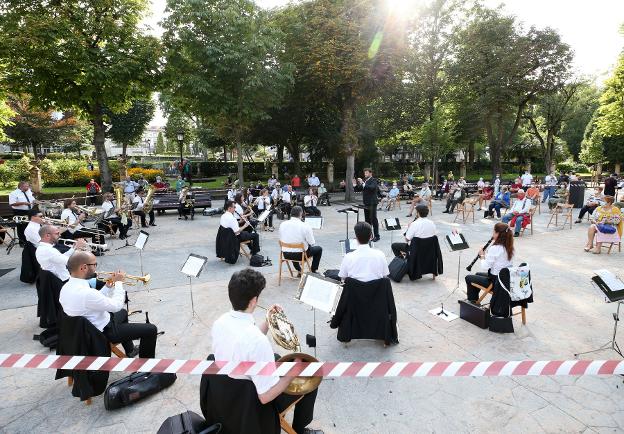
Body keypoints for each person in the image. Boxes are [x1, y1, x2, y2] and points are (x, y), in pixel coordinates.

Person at [211, 269, 320, 434]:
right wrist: (292, 373)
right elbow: (265, 397)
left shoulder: (220, 322)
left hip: (227, 390)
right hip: (252, 401)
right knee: (310, 373)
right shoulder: (257, 341)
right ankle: (299, 428)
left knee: (277, 358)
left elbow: (246, 345)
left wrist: (269, 320)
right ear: (254, 301)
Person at [60, 251, 158, 358]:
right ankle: (147, 369)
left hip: (84, 329)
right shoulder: (86, 293)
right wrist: (119, 283)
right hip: (102, 332)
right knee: (151, 329)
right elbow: (116, 306)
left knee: (123, 313)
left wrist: (108, 286)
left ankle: (130, 350)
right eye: (94, 265)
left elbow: (93, 300)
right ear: (83, 268)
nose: (96, 268)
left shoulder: (66, 288)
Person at [465, 222, 515, 302]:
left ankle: (472, 302)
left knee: (468, 278)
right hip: (505, 279)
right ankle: (474, 299)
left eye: (494, 232)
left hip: (496, 282)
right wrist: (486, 256)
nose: (492, 234)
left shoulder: (495, 248)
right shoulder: (510, 247)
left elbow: (485, 267)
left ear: (498, 234)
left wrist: (482, 256)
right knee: (477, 274)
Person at [279, 206, 323, 274]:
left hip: (286, 254)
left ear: (291, 213)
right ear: (301, 214)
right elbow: (312, 242)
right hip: (300, 255)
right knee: (319, 249)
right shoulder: (305, 226)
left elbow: (281, 237)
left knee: (294, 245)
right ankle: (313, 270)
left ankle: (299, 270)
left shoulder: (282, 224)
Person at [355, 168, 380, 242]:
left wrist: (363, 183)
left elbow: (371, 188)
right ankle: (369, 235)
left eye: (366, 173)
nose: (365, 174)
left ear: (370, 173)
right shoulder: (365, 181)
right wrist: (356, 184)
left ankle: (377, 236)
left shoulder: (374, 180)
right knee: (367, 220)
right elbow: (358, 189)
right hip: (366, 203)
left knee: (373, 219)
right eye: (364, 173)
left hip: (372, 202)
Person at [9, 180, 36, 246]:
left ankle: (30, 241)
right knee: (21, 227)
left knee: (30, 226)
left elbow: (32, 199)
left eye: (28, 186)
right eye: (26, 186)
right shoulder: (13, 193)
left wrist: (37, 201)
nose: (28, 187)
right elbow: (12, 204)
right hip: (19, 212)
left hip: (29, 211)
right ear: (21, 187)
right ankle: (22, 242)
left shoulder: (28, 191)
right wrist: (23, 203)